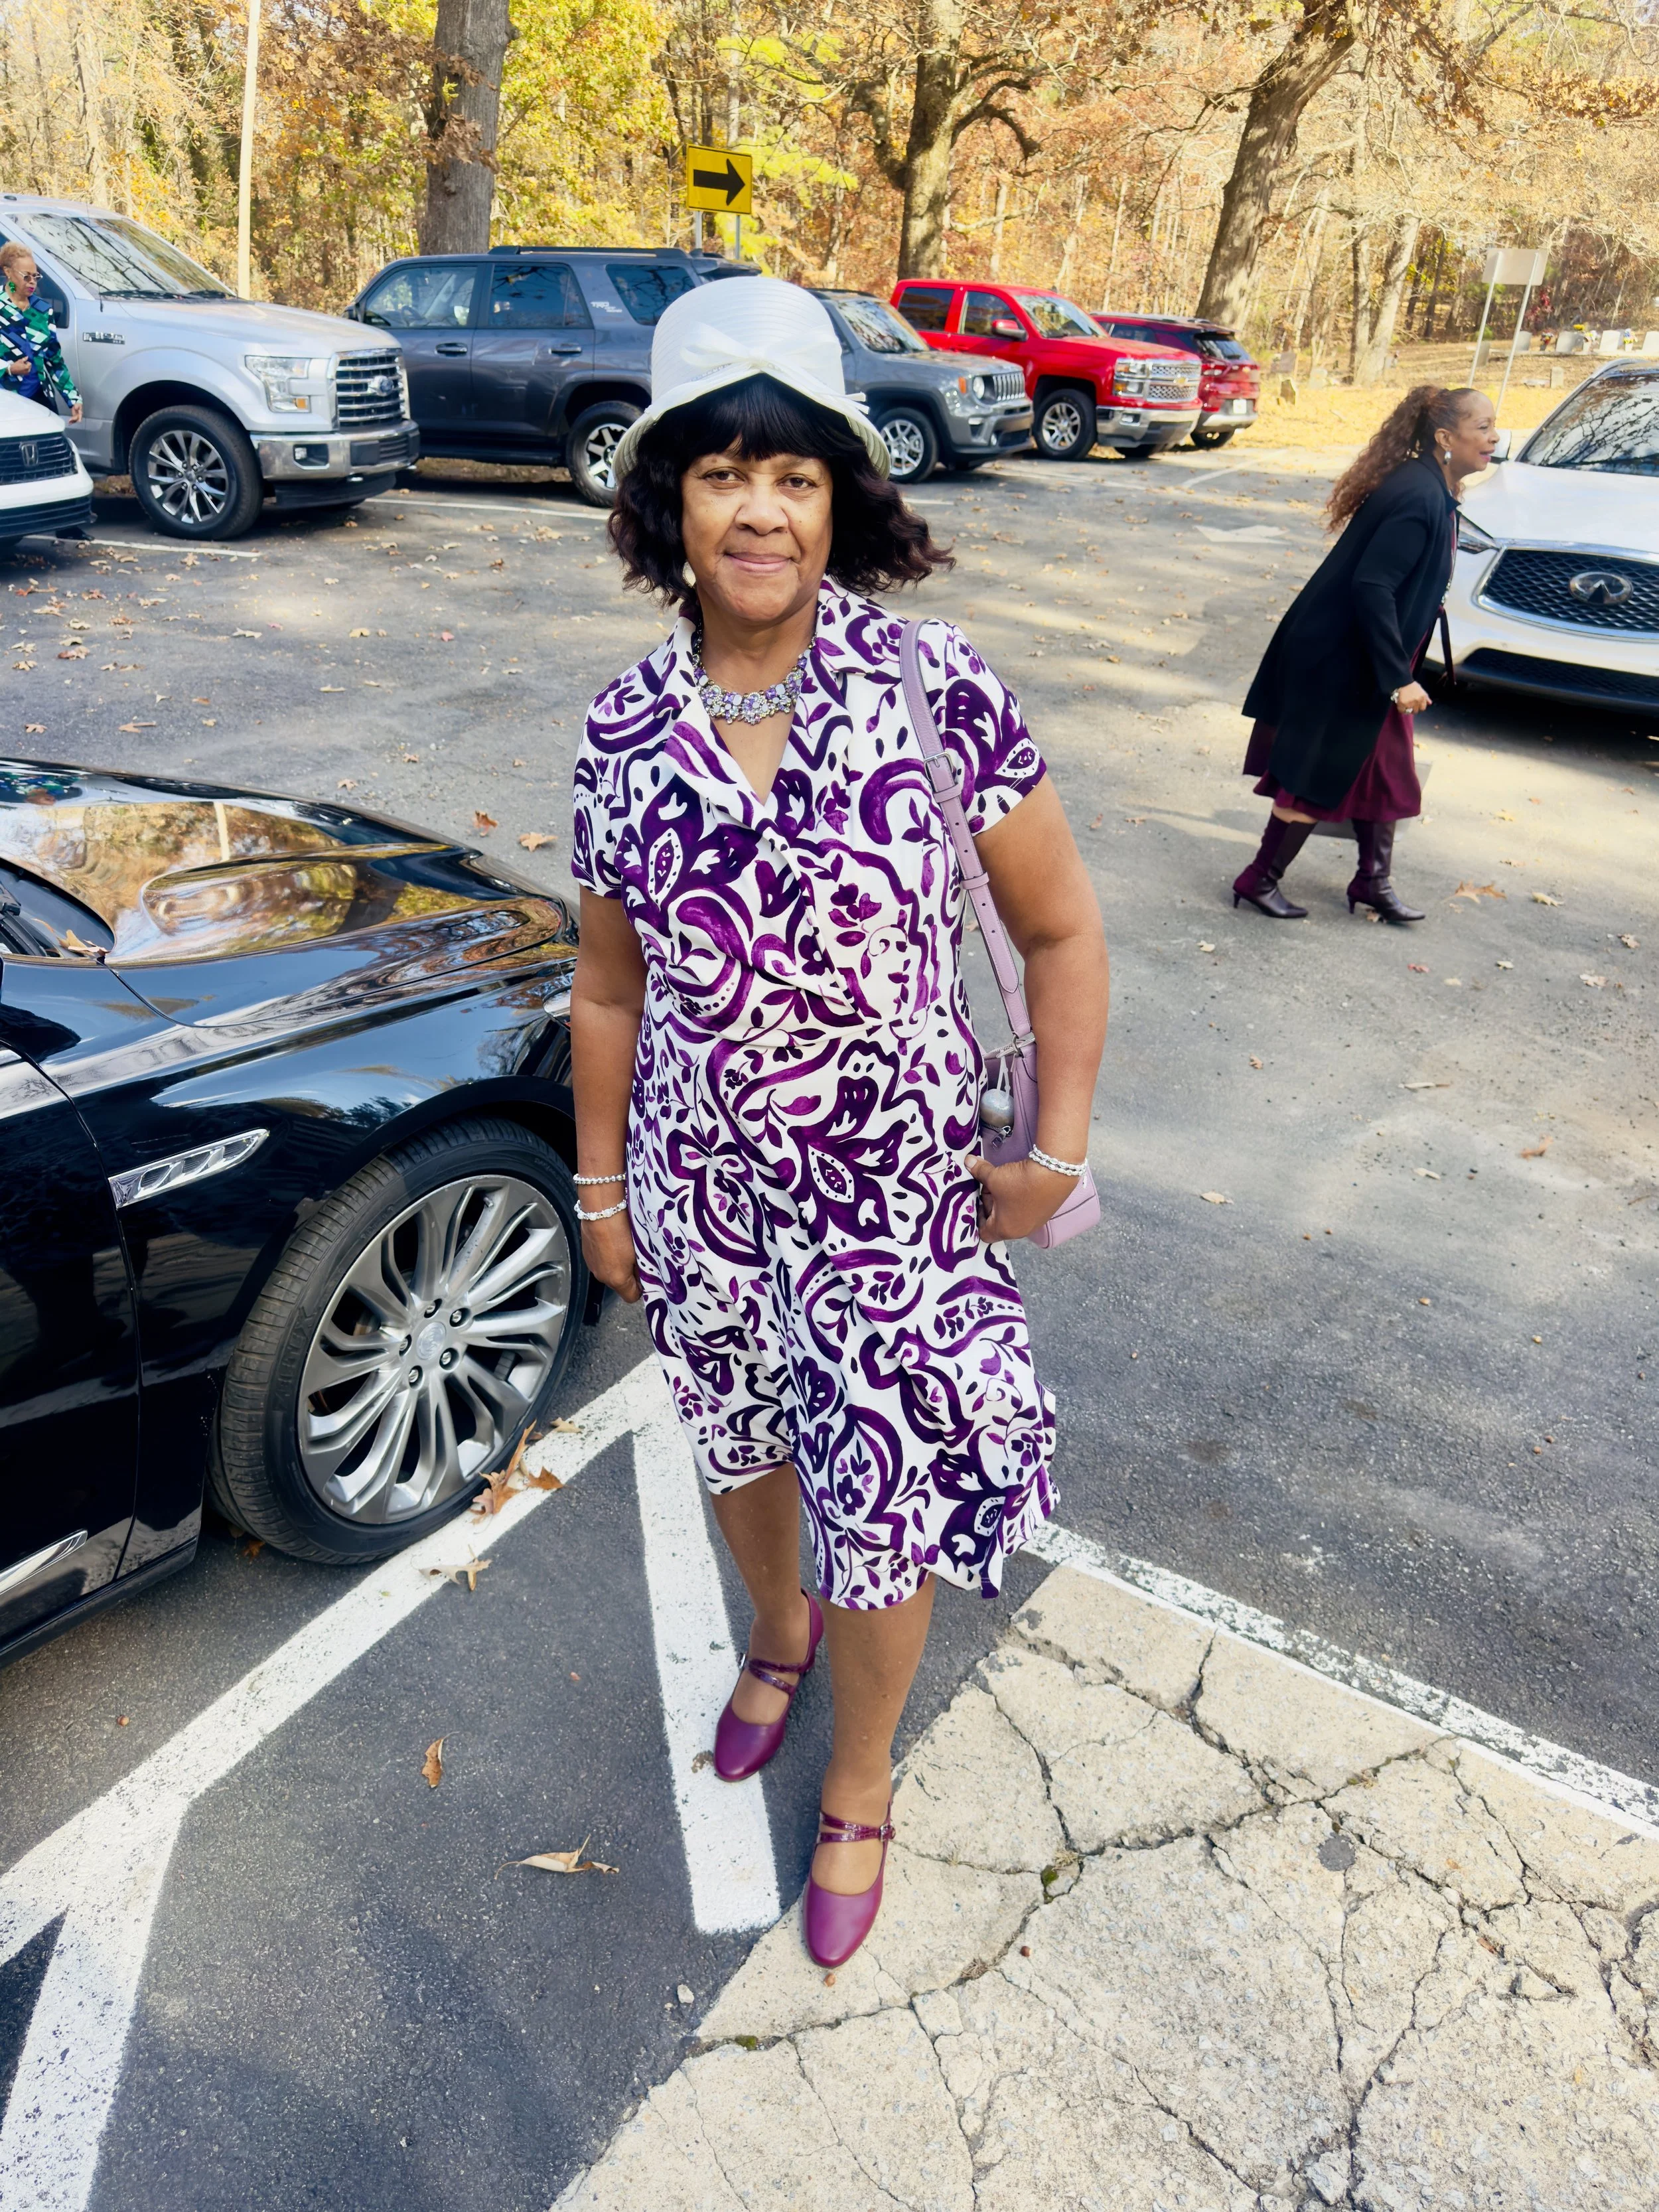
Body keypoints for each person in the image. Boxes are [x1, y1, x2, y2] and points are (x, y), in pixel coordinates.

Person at [568, 278, 1109, 1968]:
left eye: (795, 476)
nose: (761, 508)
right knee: (742, 1458)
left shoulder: (937, 688)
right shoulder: (620, 730)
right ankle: (775, 1632)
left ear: (841, 502)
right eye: (723, 471)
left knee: (885, 1500)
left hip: (895, 1206)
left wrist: (1062, 1146)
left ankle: (862, 1778)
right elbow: (606, 989)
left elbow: (1061, 933)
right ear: (669, 500)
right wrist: (602, 1190)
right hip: (702, 1194)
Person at [1232, 384, 1498, 922]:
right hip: (1343, 660)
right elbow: (1373, 586)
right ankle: (1258, 879)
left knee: (1388, 772)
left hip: (1367, 661)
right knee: (1312, 773)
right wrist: (1399, 677)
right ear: (1446, 437)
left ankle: (1372, 881)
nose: (1495, 437)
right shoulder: (1420, 495)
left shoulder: (1432, 485)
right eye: (1484, 427)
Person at [0, 244, 82, 423]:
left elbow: (54, 360)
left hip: (39, 401)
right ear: (8, 272)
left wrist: (73, 398)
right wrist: (8, 368)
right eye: (26, 276)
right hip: (5, 404)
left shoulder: (43, 310)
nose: (32, 282)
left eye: (35, 276)